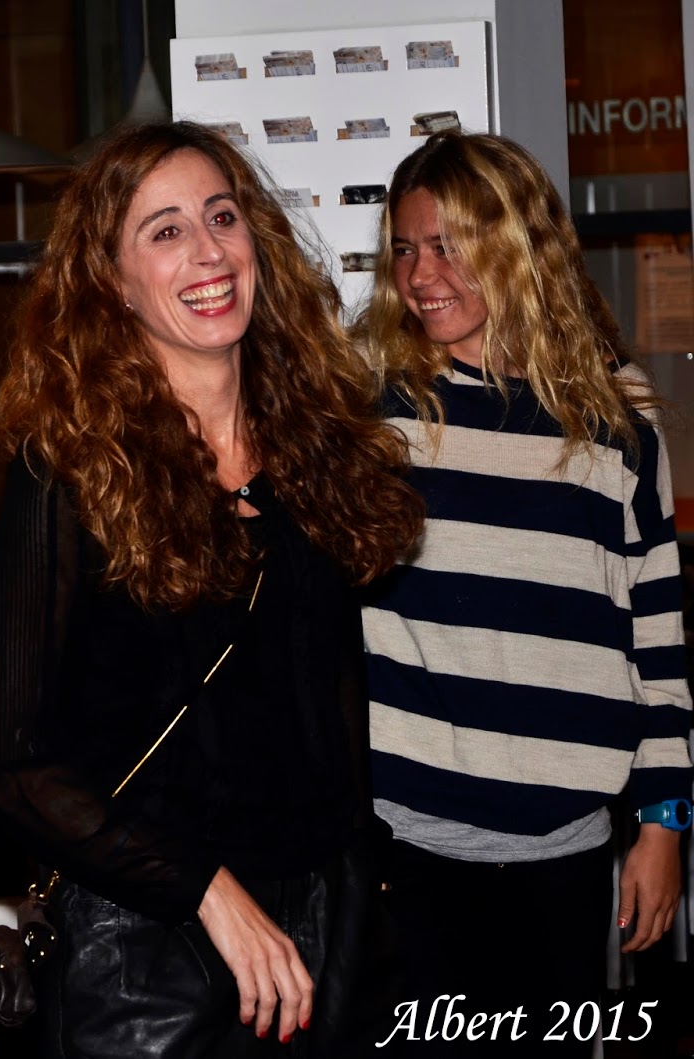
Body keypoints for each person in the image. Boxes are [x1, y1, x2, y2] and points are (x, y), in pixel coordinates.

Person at [0, 120, 423, 1058]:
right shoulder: (68, 474)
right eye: (165, 230)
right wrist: (208, 889)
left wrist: (363, 902)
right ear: (113, 280)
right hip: (147, 956)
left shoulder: (317, 448)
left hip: (327, 939)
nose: (208, 251)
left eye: (222, 216)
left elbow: (335, 711)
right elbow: (10, 765)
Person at [355, 131, 693, 1055]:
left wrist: (664, 821)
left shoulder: (619, 417)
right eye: (406, 248)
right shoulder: (376, 413)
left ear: (517, 246)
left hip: (567, 851)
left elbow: (657, 636)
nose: (421, 274)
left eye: (448, 245)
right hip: (406, 849)